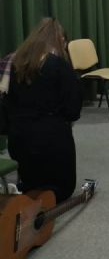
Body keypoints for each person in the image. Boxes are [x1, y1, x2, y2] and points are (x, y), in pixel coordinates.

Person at [3, 18, 82, 202]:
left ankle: (27, 192)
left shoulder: (14, 63)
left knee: (32, 182)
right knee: (63, 190)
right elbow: (73, 110)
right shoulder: (59, 65)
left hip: (18, 140)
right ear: (59, 40)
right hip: (51, 141)